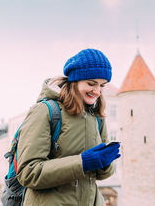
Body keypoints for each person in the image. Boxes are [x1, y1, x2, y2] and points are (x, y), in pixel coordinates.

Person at [16, 48, 121, 206]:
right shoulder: (45, 111)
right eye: (91, 84)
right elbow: (28, 173)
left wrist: (105, 163)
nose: (97, 91)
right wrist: (83, 162)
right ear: (75, 81)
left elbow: (99, 175)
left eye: (102, 85)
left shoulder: (97, 116)